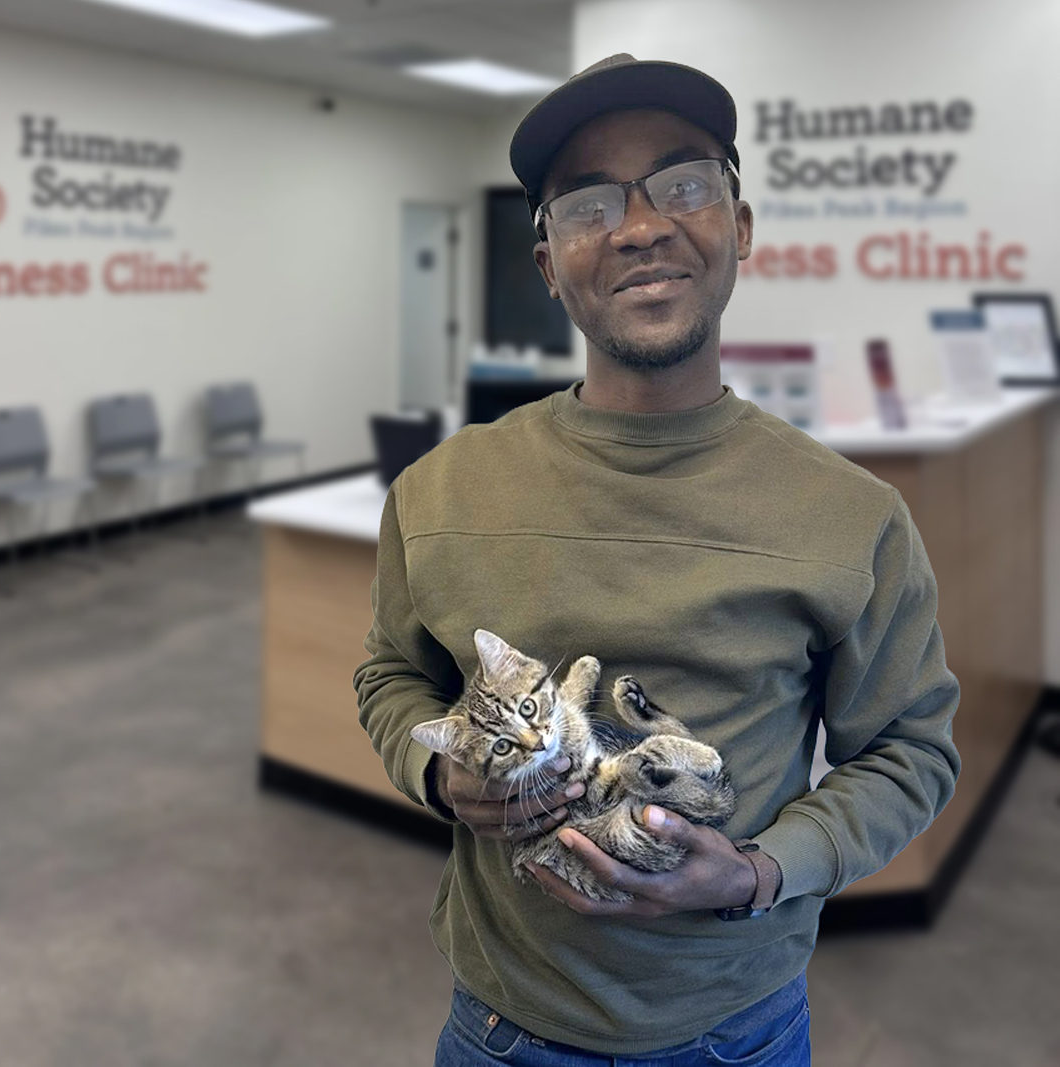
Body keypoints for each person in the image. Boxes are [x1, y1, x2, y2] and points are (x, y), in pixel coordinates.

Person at [352, 54, 960, 1065]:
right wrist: (432, 769)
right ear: (547, 262)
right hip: (499, 1024)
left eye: (683, 184)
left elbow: (910, 749)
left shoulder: (851, 517)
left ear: (740, 226)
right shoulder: (441, 490)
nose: (639, 227)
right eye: (588, 203)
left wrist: (758, 870)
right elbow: (389, 673)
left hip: (736, 1027)